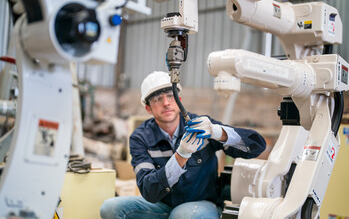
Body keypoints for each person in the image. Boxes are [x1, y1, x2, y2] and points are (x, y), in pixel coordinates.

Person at [100, 71, 266, 219]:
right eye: (158, 99)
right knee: (111, 208)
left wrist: (218, 132)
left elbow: (257, 146)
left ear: (179, 100)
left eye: (170, 96)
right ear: (148, 109)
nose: (166, 103)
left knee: (184, 215)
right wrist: (181, 156)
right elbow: (149, 191)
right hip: (163, 206)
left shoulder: (202, 127)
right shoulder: (141, 137)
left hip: (201, 205)